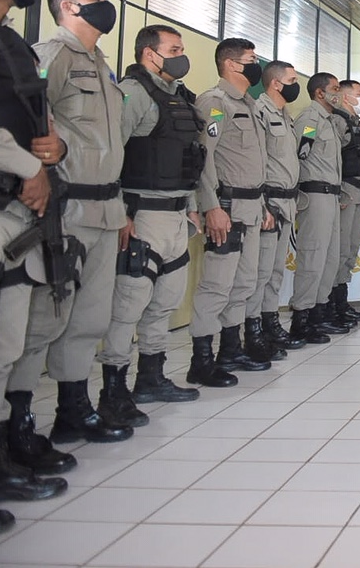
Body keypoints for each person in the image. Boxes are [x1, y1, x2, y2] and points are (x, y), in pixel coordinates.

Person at [7, 0, 130, 453]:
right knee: (44, 320)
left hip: (106, 207)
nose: (105, 4)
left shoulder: (102, 65)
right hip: (66, 208)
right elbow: (25, 122)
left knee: (90, 319)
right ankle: (14, 424)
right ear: (68, 9)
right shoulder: (51, 56)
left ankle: (73, 411)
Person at [0, 0, 68, 535]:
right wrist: (26, 164)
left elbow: (38, 118)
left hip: (16, 214)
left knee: (2, 350)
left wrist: (51, 148)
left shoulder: (11, 42)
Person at [97, 24, 204, 430]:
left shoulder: (177, 98)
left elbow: (189, 159)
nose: (181, 55)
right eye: (174, 48)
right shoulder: (133, 93)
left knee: (165, 302)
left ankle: (151, 378)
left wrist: (192, 207)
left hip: (177, 216)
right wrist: (118, 212)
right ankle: (113, 391)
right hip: (140, 215)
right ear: (150, 54)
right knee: (129, 305)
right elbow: (113, 152)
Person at [186, 38, 271, 386]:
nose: (257, 67)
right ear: (231, 64)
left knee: (244, 283)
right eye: (251, 60)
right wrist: (210, 207)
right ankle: (201, 359)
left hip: (252, 207)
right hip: (227, 207)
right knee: (217, 285)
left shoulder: (249, 105)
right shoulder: (215, 103)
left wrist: (263, 205)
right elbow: (203, 158)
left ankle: (231, 348)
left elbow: (254, 163)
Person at [250, 60, 301, 359]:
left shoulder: (285, 114)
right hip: (269, 200)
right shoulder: (261, 111)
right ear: (276, 83)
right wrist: (264, 203)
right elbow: (257, 161)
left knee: (275, 271)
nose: (297, 84)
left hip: (287, 201)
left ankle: (271, 322)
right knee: (260, 271)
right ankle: (253, 327)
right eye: (292, 79)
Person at [290, 72, 346, 342]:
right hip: (315, 196)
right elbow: (298, 157)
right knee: (312, 257)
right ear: (319, 93)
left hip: (332, 196)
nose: (340, 93)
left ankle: (319, 313)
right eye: (335, 89)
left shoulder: (330, 122)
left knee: (330, 258)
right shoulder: (310, 121)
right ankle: (301, 317)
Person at [326, 81, 360, 327]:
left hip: (358, 191)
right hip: (346, 191)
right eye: (359, 94)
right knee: (340, 250)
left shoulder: (353, 123)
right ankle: (331, 306)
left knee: (351, 249)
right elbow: (333, 158)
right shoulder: (338, 121)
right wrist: (341, 191)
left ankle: (341, 303)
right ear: (344, 95)